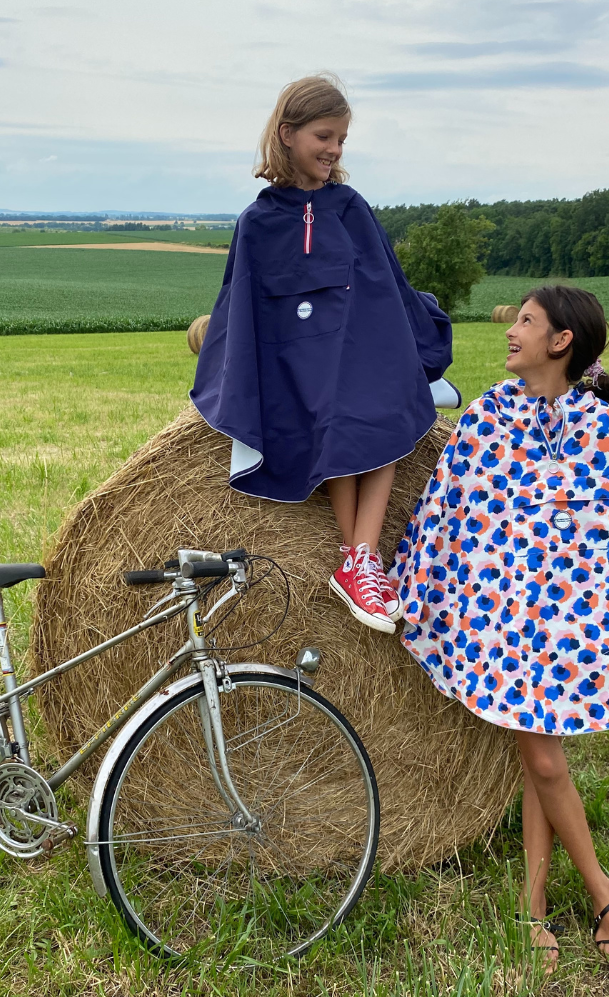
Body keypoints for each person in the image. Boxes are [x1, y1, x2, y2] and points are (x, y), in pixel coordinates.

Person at [391, 285, 609, 970]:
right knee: (545, 758)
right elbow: (445, 507)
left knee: (537, 759)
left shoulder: (598, 428)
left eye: (525, 321)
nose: (510, 330)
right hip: (501, 623)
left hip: (568, 620)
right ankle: (604, 901)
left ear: (561, 342)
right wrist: (416, 588)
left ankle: (534, 903)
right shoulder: (487, 415)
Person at [191, 74, 460, 635]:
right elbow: (243, 308)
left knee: (387, 400)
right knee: (328, 411)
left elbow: (383, 286)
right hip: (296, 367)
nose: (334, 149)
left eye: (341, 140)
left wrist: (414, 325)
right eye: (325, 135)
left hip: (359, 356)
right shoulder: (258, 222)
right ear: (287, 134)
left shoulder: (348, 208)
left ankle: (360, 557)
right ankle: (357, 559)